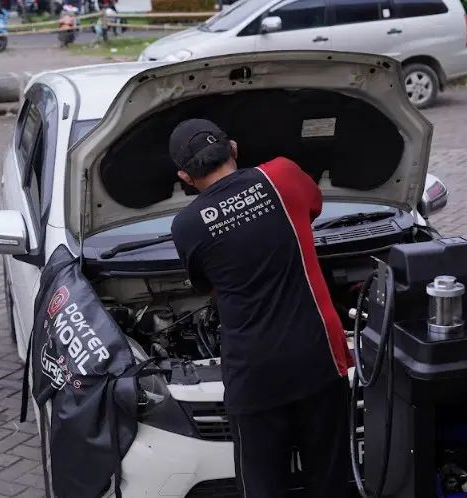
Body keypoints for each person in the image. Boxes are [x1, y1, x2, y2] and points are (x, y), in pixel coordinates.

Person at [169, 119, 354, 498]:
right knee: (330, 480)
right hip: (318, 357)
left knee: (262, 487)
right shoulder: (283, 176)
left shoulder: (186, 225)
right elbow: (313, 206)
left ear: (185, 176)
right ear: (233, 148)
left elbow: (208, 284)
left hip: (255, 377)